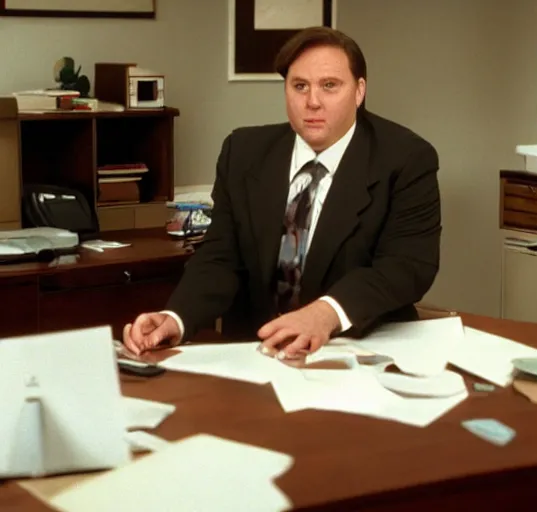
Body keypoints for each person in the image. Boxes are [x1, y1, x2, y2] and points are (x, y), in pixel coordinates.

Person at [122, 26, 441, 360]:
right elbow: (220, 257)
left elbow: (406, 267)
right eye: (299, 86)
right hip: (258, 354)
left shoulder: (405, 159)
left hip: (354, 350)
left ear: (359, 91)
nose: (312, 101)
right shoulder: (243, 152)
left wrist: (324, 314)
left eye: (329, 86)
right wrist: (176, 318)